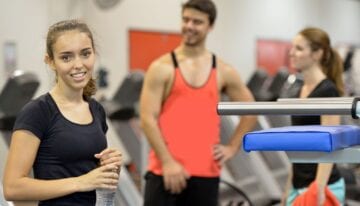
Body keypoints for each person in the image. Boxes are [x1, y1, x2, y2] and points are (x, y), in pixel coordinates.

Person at [139, 0, 257, 205]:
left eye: (197, 22)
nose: (189, 26)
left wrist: (232, 147)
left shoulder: (223, 70)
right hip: (165, 172)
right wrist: (168, 162)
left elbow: (251, 111)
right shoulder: (162, 67)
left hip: (206, 173)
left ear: (210, 26)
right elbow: (147, 118)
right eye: (186, 20)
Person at [3, 19, 122, 205]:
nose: (78, 64)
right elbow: (12, 188)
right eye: (66, 57)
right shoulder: (37, 112)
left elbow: (90, 175)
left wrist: (109, 167)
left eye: (85, 54)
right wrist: (81, 182)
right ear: (50, 61)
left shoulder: (96, 110)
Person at [283, 27, 346, 206]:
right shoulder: (299, 91)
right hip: (299, 184)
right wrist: (288, 186)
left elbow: (331, 144)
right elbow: (296, 145)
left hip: (322, 185)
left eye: (299, 48)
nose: (291, 53)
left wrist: (318, 189)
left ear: (317, 54)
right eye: (292, 47)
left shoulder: (327, 91)